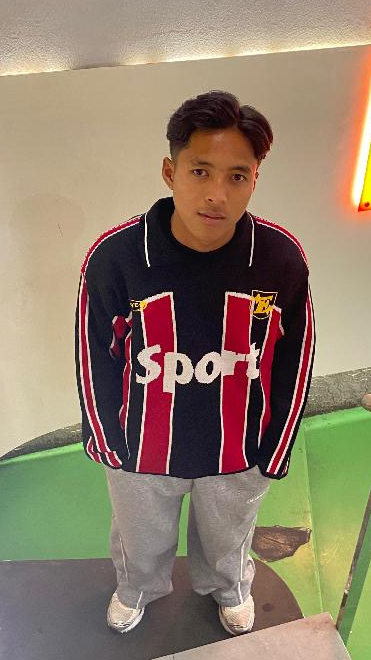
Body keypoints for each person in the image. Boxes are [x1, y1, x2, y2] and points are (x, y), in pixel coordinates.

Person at [75, 90, 315, 636]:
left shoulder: (279, 259)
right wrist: (109, 444)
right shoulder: (116, 257)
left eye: (236, 176)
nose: (216, 194)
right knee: (140, 539)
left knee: (229, 538)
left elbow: (294, 357)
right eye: (200, 171)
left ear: (254, 180)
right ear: (171, 171)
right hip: (143, 450)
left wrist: (274, 448)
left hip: (238, 450)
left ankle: (229, 589)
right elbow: (94, 357)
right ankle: (136, 588)